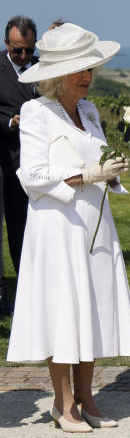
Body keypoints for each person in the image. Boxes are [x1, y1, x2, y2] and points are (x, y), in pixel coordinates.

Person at [7, 23, 130, 432]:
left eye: (91, 69)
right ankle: (63, 404)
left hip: (95, 222)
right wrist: (87, 175)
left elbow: (98, 163)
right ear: (57, 75)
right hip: (57, 224)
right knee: (63, 307)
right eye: (81, 70)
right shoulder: (35, 112)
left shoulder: (88, 111)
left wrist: (112, 172)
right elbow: (32, 175)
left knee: (93, 304)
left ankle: (87, 397)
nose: (88, 77)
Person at [0, 15, 39, 277]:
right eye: (17, 50)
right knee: (10, 226)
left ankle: (30, 283)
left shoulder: (41, 69)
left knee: (28, 227)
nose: (24, 55)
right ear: (6, 43)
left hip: (35, 162)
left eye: (29, 49)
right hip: (5, 158)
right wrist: (9, 122)